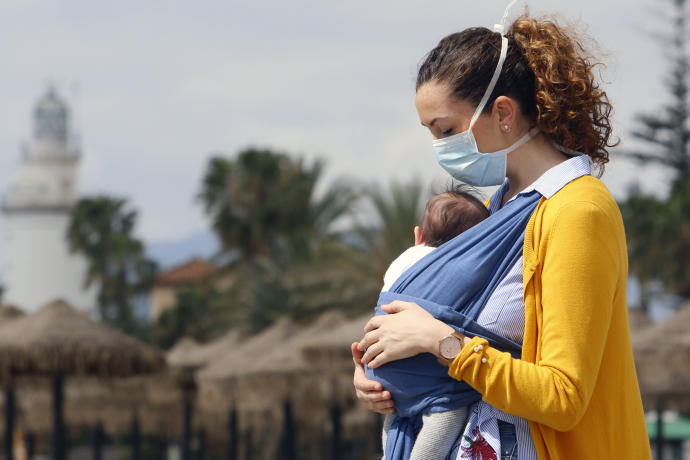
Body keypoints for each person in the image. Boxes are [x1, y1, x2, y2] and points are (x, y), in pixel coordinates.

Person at [351, 4, 651, 460]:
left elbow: (563, 397)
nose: (439, 148)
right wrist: (385, 371)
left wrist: (439, 343)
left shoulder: (577, 212)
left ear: (504, 112)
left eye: (446, 130)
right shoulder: (495, 211)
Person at [379, 186, 489, 459]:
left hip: (385, 374)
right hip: (431, 384)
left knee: (394, 421)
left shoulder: (401, 261)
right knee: (448, 414)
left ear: (418, 235)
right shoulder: (460, 270)